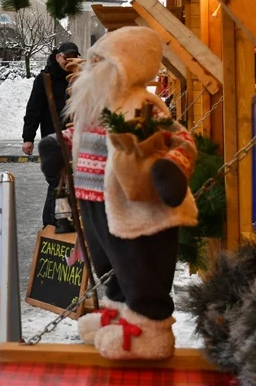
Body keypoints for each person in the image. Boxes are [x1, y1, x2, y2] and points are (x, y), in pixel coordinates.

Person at [39, 27, 198, 360]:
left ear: (127, 65)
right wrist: (58, 145)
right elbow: (79, 136)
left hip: (136, 208)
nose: (91, 69)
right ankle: (119, 316)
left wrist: (171, 169)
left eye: (101, 62)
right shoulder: (96, 106)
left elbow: (180, 140)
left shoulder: (143, 106)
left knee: (139, 267)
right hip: (95, 204)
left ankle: (150, 331)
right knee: (109, 267)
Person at [21, 41, 79, 233]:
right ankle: (51, 223)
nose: (69, 61)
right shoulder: (45, 79)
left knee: (70, 181)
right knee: (57, 182)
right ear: (57, 57)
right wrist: (28, 137)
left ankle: (64, 221)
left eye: (74, 57)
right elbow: (34, 109)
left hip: (76, 139)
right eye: (66, 57)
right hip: (53, 140)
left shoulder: (78, 79)